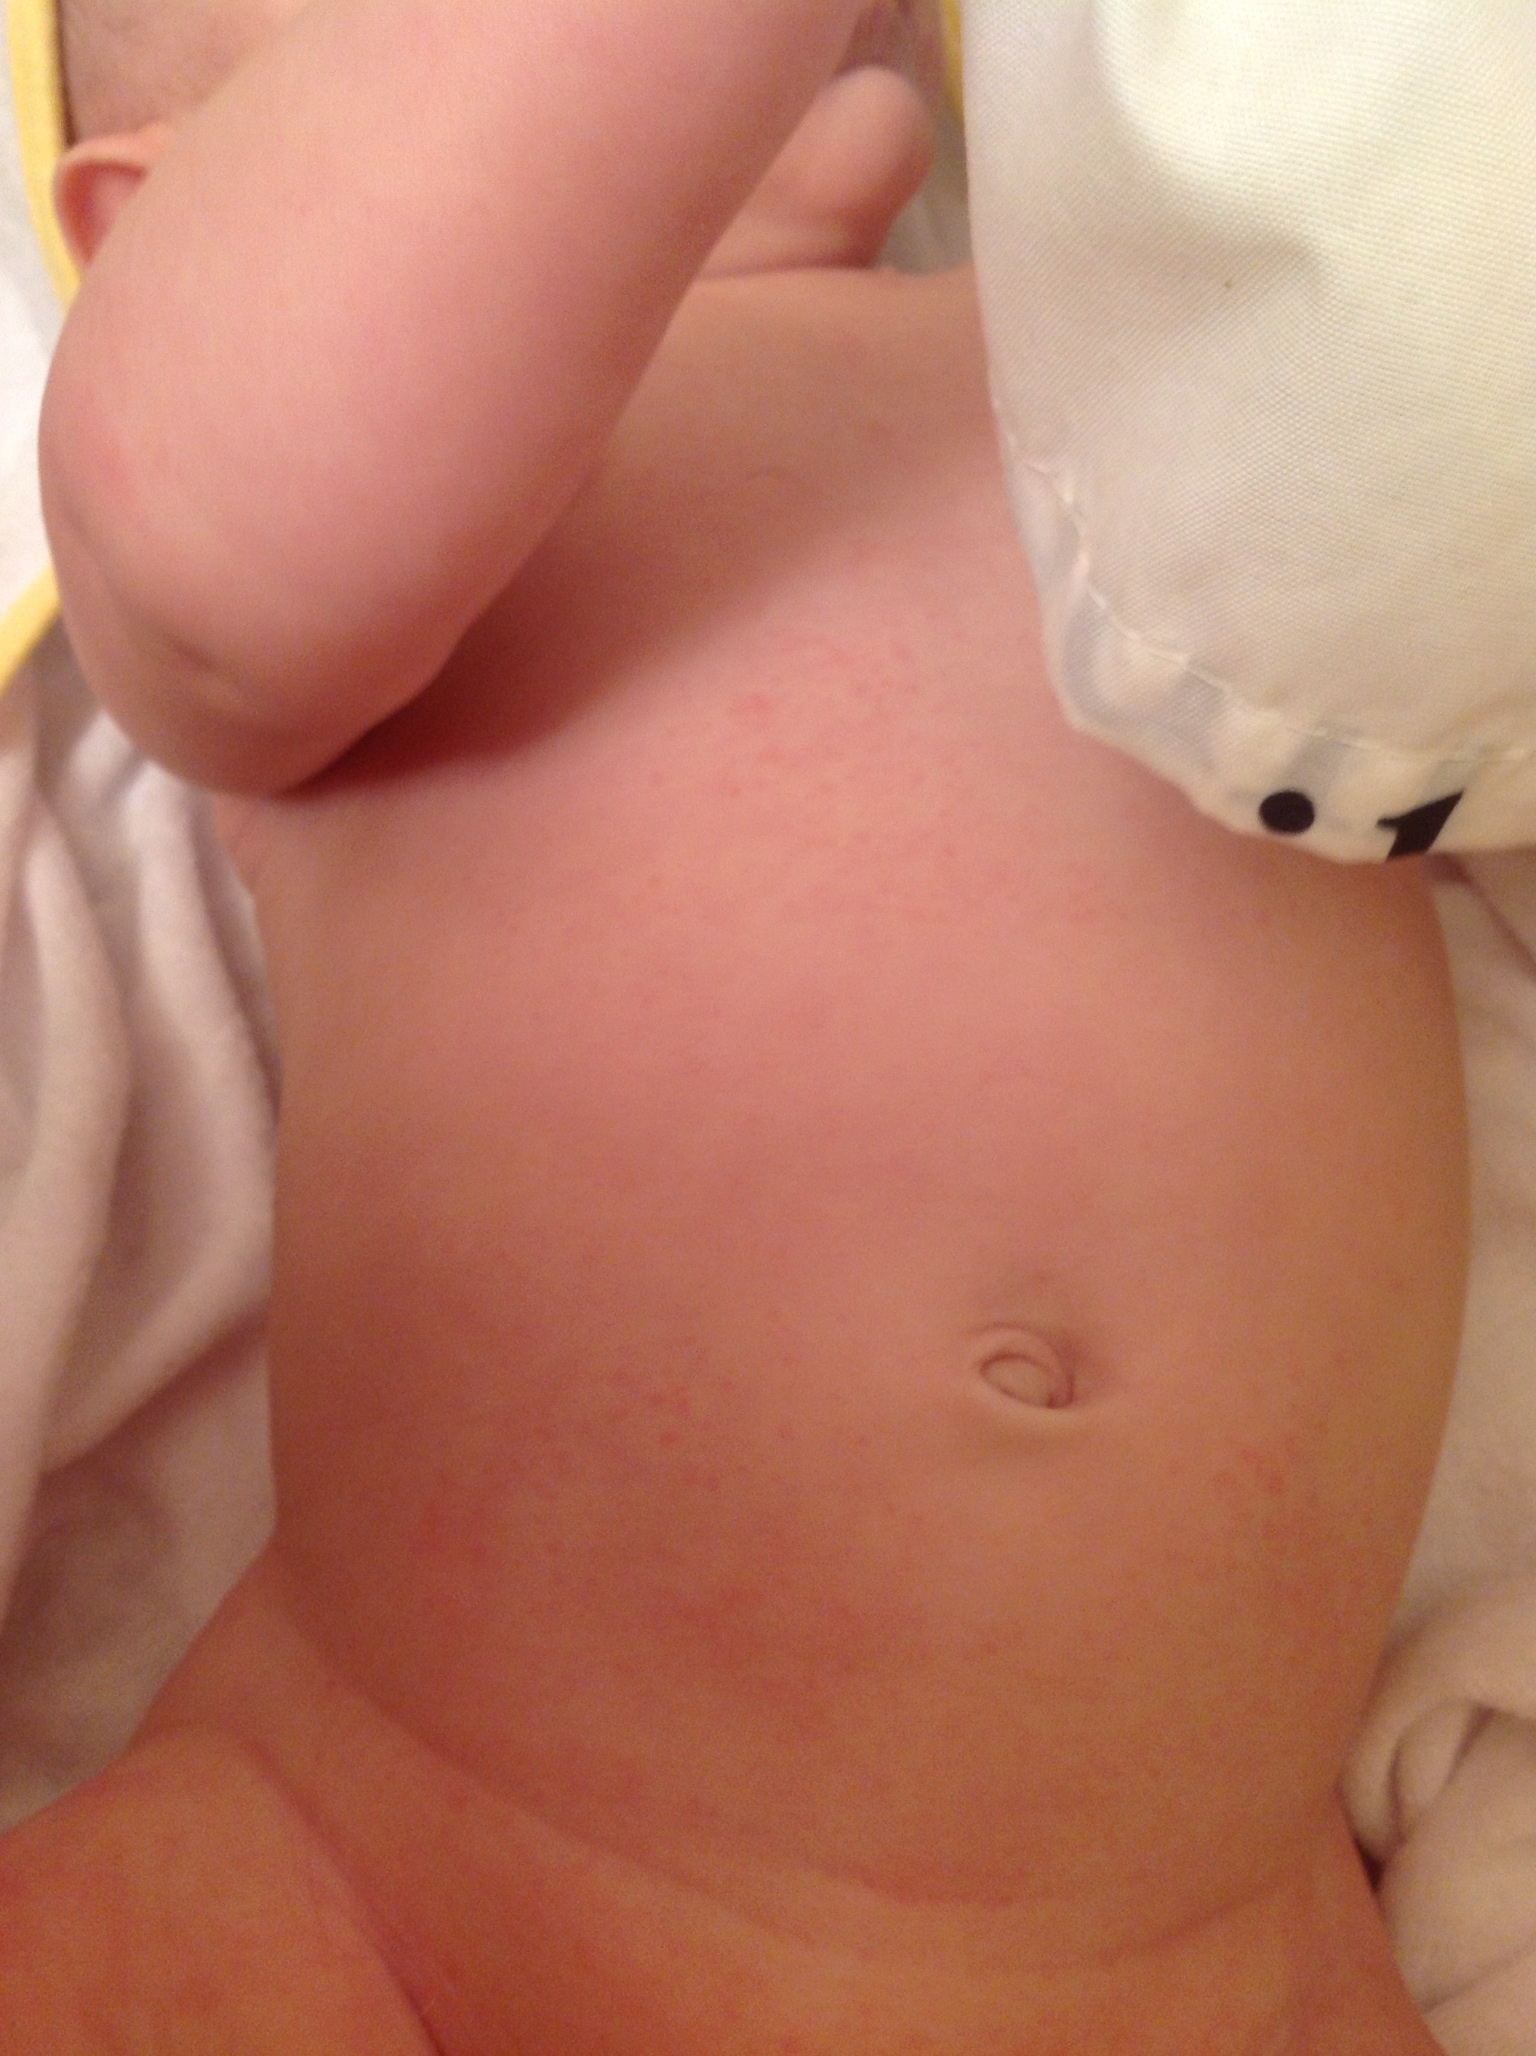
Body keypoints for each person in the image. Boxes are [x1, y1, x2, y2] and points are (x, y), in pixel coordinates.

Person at [1, 1, 1469, 2047]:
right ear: (144, 221)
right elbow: (213, 512)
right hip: (421, 1893)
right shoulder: (291, 490)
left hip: (1224, 1954)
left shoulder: (1115, 381)